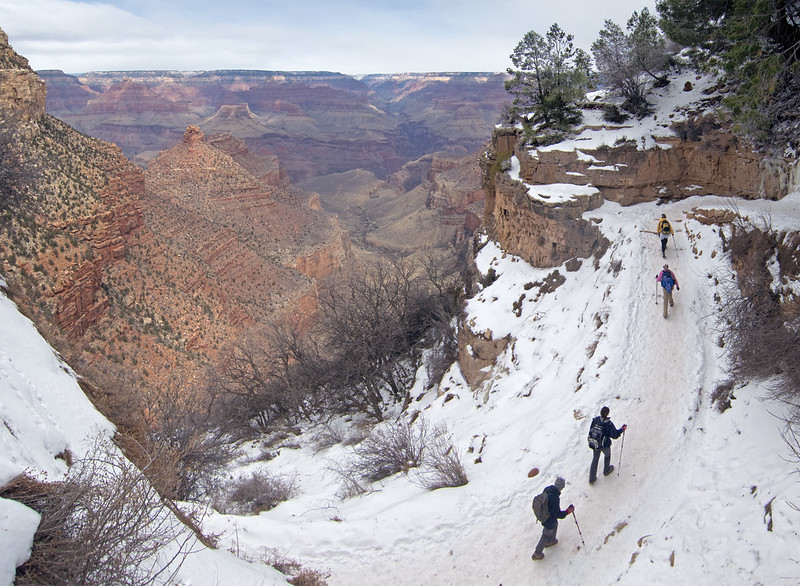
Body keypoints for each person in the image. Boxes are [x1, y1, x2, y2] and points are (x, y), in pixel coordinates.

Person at [532, 476, 574, 560]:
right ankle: (537, 553)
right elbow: (558, 514)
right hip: (548, 519)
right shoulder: (555, 498)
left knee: (555, 524)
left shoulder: (548, 489)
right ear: (561, 487)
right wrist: (567, 511)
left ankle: (551, 540)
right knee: (546, 534)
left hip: (545, 514)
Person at [588, 406, 626, 484]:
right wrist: (622, 429)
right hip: (604, 445)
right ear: (607, 414)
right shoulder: (608, 424)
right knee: (607, 455)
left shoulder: (595, 420)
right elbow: (615, 435)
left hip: (595, 444)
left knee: (595, 459)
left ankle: (592, 478)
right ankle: (606, 470)